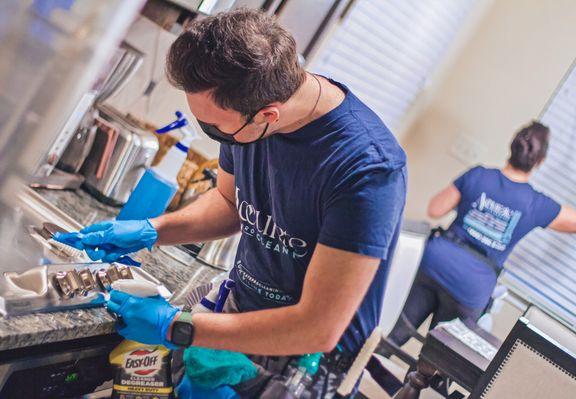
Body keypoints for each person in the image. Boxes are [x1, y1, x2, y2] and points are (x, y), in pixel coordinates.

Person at [56, 9, 407, 397]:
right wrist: (153, 230)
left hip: (302, 362)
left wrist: (175, 326)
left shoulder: (366, 170)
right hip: (234, 317)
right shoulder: (249, 112)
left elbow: (317, 326)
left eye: (215, 128)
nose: (213, 136)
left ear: (268, 115)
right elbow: (228, 201)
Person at [378, 121, 576, 356]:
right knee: (437, 360)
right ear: (539, 161)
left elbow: (435, 209)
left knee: (394, 335)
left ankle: (353, 379)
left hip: (434, 263)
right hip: (472, 286)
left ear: (512, 147)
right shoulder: (535, 204)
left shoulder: (479, 175)